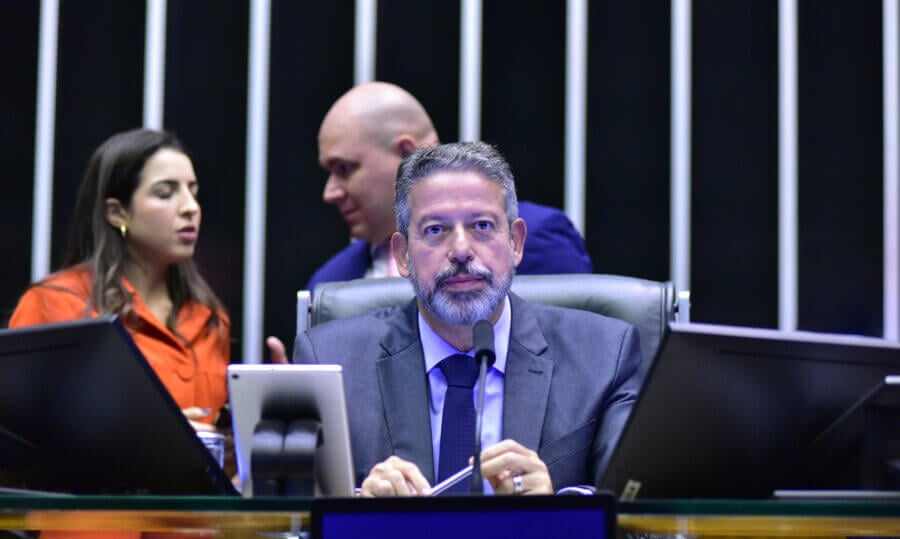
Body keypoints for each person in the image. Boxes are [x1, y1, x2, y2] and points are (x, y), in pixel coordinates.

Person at [292, 141, 641, 496]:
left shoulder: (603, 357)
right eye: (435, 230)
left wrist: (561, 509)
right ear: (401, 255)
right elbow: (291, 523)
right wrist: (356, 509)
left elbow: (643, 522)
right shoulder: (332, 362)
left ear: (516, 243)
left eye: (482, 226)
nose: (460, 251)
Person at [10, 128, 229, 432]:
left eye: (193, 191)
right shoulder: (54, 304)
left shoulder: (209, 318)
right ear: (117, 213)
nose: (190, 207)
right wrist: (146, 437)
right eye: (166, 193)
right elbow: (19, 434)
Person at [308, 81, 593, 290]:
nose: (330, 193)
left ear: (406, 154)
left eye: (345, 169)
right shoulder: (328, 282)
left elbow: (574, 355)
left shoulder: (536, 240)